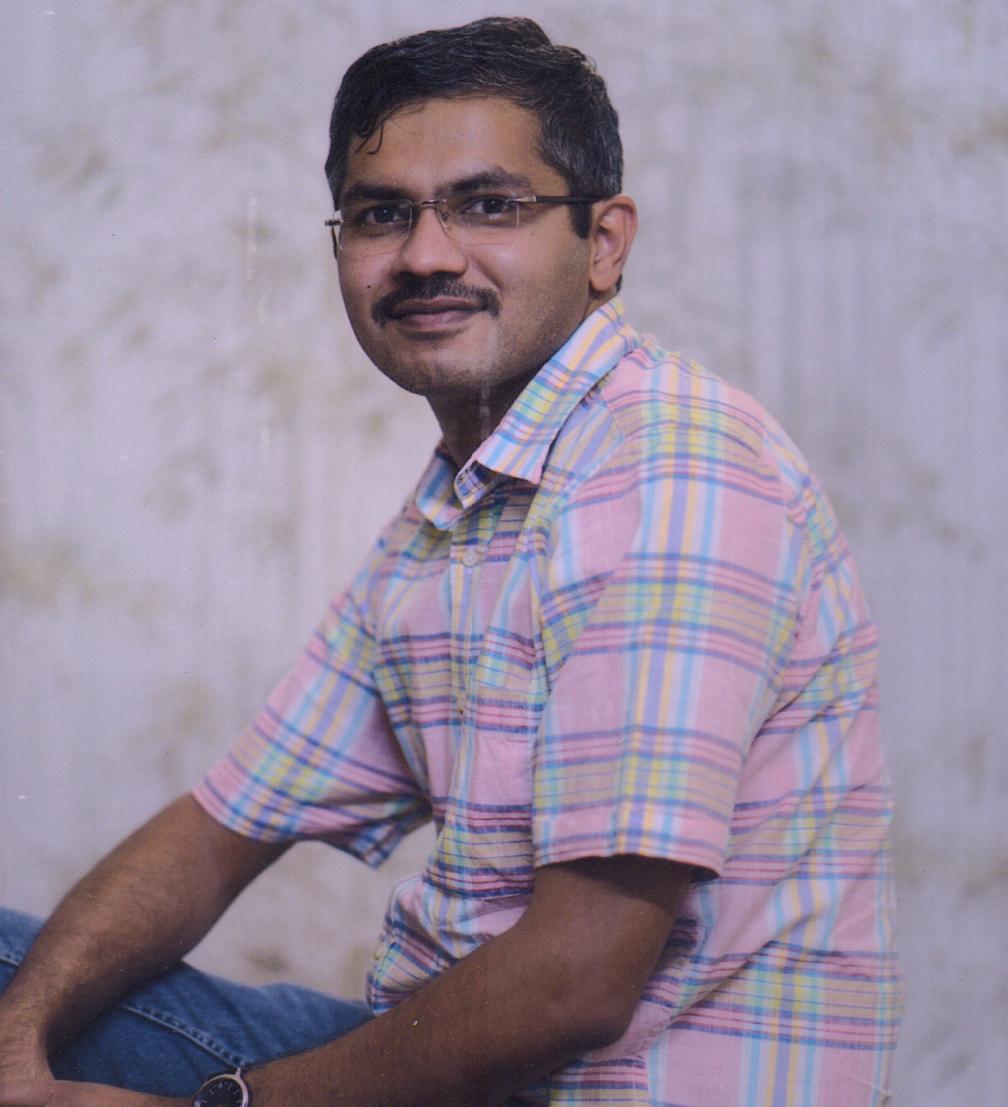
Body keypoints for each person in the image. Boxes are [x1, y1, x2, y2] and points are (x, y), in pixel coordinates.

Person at [0, 16, 902, 1107]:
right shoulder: (461, 509)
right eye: (382, 214)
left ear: (604, 242)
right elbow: (222, 825)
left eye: (489, 205)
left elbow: (575, 985)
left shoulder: (671, 469)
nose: (426, 256)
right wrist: (16, 1049)